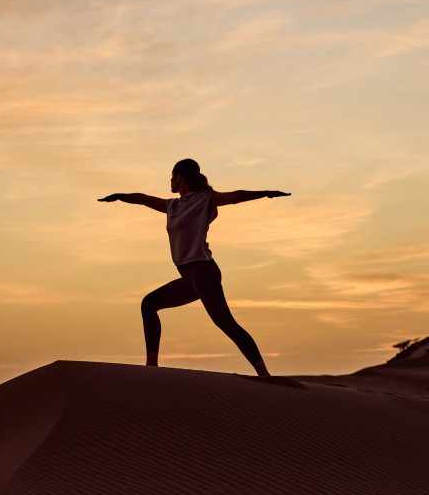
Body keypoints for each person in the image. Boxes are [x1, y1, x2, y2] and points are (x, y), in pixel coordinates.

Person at [98, 159, 290, 376]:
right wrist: (119, 197)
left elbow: (236, 196)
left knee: (225, 323)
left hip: (204, 271)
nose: (170, 180)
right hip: (189, 276)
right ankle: (151, 367)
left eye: (172, 176)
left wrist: (265, 193)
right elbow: (143, 199)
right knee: (149, 304)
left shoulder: (205, 199)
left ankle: (264, 374)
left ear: (180, 177)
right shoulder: (172, 206)